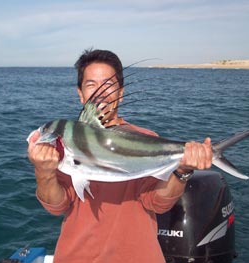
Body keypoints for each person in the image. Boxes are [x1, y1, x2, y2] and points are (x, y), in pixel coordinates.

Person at [27, 49, 212, 263]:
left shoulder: (146, 138)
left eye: (109, 85)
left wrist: (183, 171)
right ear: (80, 94)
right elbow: (57, 206)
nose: (101, 93)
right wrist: (44, 171)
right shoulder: (65, 143)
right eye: (91, 85)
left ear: (121, 93)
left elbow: (158, 203)